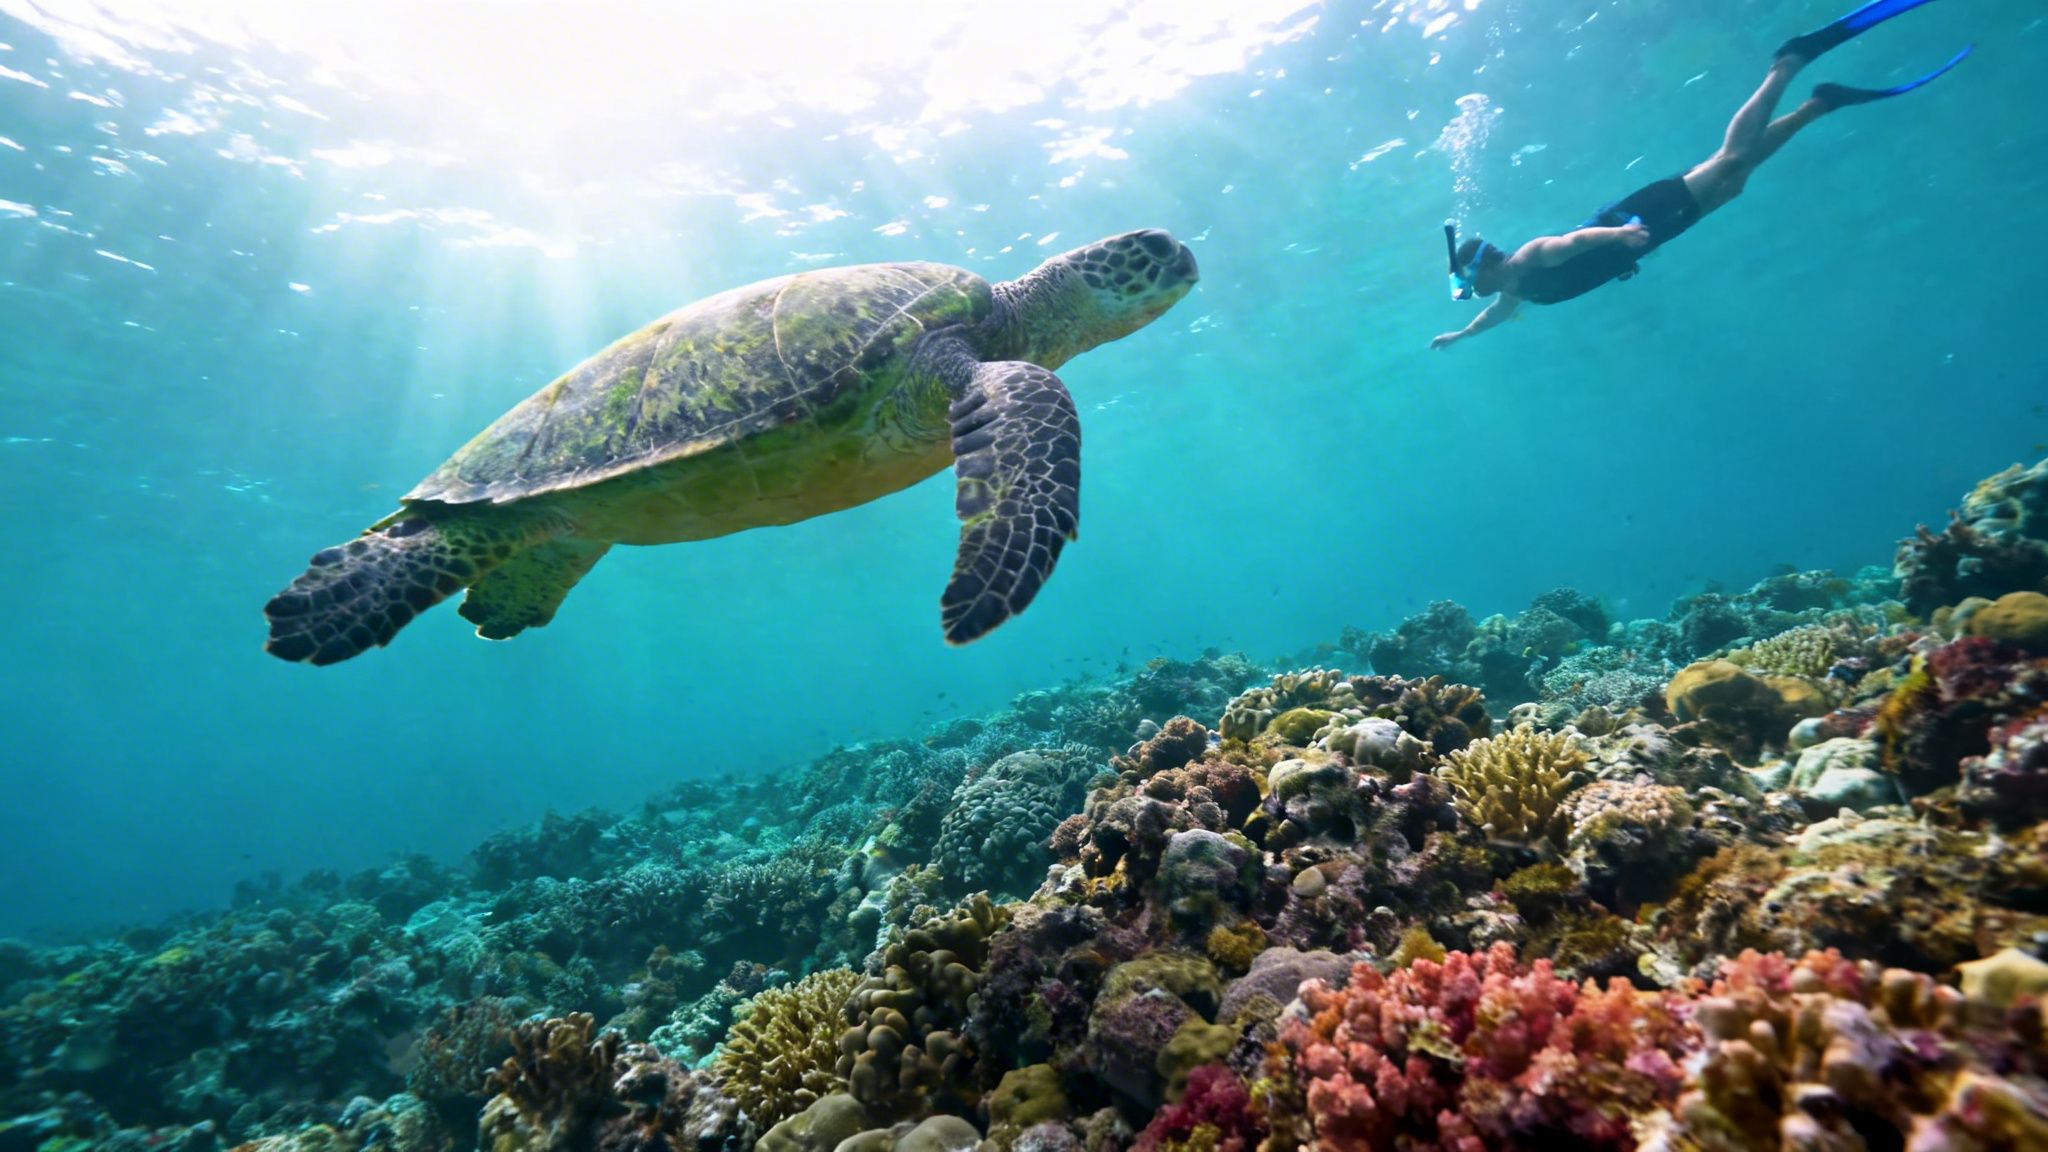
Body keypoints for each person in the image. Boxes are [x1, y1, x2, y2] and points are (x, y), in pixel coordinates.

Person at [1430, 0, 1969, 350]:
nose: (1469, 294)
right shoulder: (1515, 290)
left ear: (1482, 268)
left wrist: (1620, 234)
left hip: (1637, 216)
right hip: (1649, 234)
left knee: (1729, 162)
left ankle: (1787, 62)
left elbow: (1572, 240)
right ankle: (1817, 106)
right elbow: (1495, 318)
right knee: (1734, 182)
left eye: (1465, 285)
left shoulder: (1528, 258)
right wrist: (1458, 336)